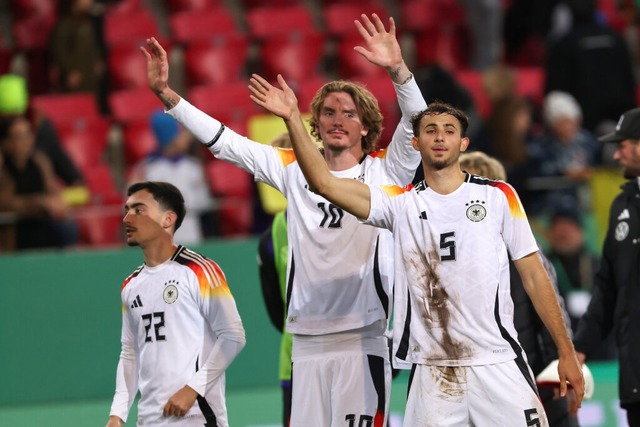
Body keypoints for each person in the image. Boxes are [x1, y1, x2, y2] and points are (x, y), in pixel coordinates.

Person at [141, 13, 427, 426]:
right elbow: (224, 142)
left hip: (364, 335)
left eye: (348, 113)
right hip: (306, 339)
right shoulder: (291, 168)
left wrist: (398, 69)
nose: (336, 119)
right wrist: (168, 95)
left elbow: (417, 120)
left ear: (366, 127)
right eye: (327, 112)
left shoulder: (389, 171)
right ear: (315, 123)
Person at [250, 76, 585, 425]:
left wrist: (566, 351)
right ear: (415, 142)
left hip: (496, 362)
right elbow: (323, 182)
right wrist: (292, 117)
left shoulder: (500, 196)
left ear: (464, 142)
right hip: (431, 372)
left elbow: (535, 274)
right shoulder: (400, 204)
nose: (439, 136)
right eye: (430, 130)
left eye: (449, 130)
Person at [106, 181, 246, 427]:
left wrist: (193, 389)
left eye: (139, 210)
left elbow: (234, 336)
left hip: (195, 416)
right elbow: (130, 353)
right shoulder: (130, 286)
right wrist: (117, 414)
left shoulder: (199, 270)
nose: (127, 218)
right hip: (148, 419)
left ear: (167, 220)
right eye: (126, 210)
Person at [460, 151, 579, 427]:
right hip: (496, 386)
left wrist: (562, 369)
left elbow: (553, 319)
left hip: (528, 385)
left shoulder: (526, 252)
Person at [573, 107, 640, 426]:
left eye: (623, 145)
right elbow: (607, 288)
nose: (615, 156)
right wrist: (580, 348)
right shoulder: (622, 206)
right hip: (635, 375)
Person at [128, 109, 215, 245]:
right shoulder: (147, 169)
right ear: (170, 137)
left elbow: (204, 202)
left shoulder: (193, 167)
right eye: (181, 132)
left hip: (191, 234)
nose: (187, 137)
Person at [256, 132, 293, 427]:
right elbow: (274, 307)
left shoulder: (348, 212)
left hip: (350, 355)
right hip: (295, 361)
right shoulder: (270, 238)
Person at [0, 115, 78, 250]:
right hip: (14, 234)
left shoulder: (40, 162)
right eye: (19, 136)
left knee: (67, 228)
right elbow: (5, 202)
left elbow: (52, 191)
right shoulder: (3, 169)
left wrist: (58, 202)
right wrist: (40, 203)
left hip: (43, 227)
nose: (26, 141)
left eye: (28, 135)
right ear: (6, 142)